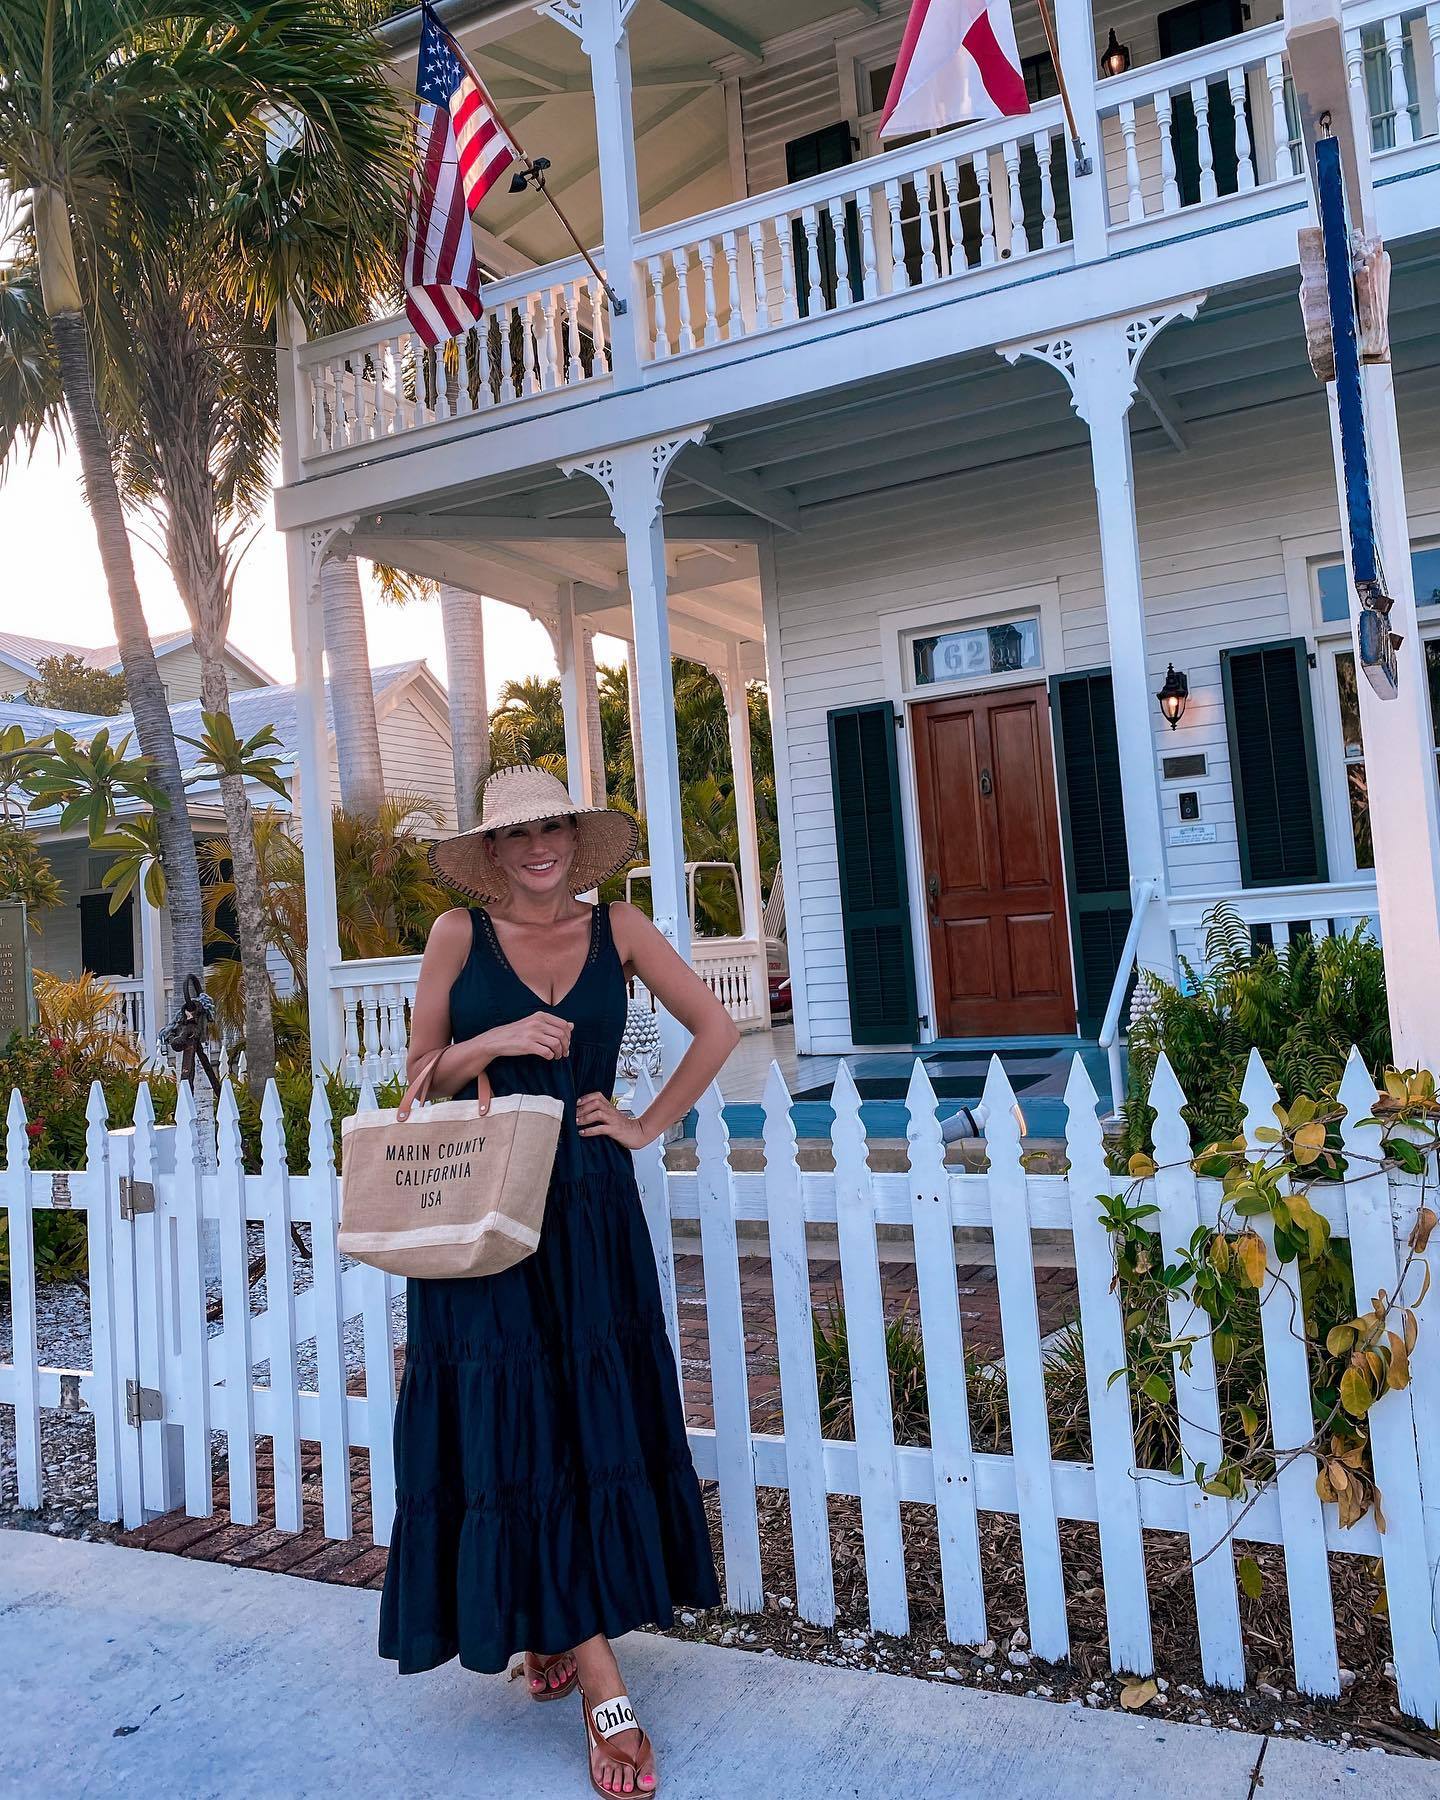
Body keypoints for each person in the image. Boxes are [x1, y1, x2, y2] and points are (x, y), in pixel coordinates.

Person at [379, 763, 737, 1798]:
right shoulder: (458, 934)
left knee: (582, 1417)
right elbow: (416, 1079)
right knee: (516, 1423)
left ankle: (553, 1628)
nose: (538, 847)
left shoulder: (620, 928)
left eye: (554, 830)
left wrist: (644, 1122)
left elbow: (715, 1029)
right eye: (517, 834)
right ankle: (600, 1681)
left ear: (576, 840)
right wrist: (494, 1039)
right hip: (489, 1204)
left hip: (586, 1204)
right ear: (491, 850)